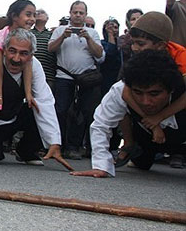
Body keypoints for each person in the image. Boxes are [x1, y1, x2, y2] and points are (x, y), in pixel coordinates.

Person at [71, 50, 186, 178]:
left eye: (154, 94)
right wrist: (101, 165)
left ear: (171, 90)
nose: (146, 102)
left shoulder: (181, 89)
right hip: (146, 140)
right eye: (138, 93)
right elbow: (101, 125)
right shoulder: (120, 90)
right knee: (142, 163)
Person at [0, 28, 68, 168]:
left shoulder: (35, 66)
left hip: (16, 116)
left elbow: (45, 102)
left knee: (41, 107)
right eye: (12, 51)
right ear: (4, 49)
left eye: (24, 53)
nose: (16, 59)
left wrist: (54, 142)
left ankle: (26, 150)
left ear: (31, 55)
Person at [114, 12, 186, 169]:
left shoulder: (181, 58)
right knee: (142, 163)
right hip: (148, 116)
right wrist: (153, 124)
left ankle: (179, 151)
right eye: (133, 43)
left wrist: (160, 117)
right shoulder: (136, 58)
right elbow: (125, 93)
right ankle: (130, 144)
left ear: (160, 46)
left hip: (175, 113)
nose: (135, 48)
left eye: (140, 44)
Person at [48, 0, 104, 160]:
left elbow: (100, 55)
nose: (78, 15)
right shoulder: (60, 30)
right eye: (75, 12)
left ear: (85, 15)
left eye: (81, 13)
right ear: (70, 13)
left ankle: (76, 146)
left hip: (86, 79)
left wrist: (88, 39)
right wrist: (63, 37)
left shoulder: (92, 33)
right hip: (64, 77)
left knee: (85, 113)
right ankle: (57, 145)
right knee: (60, 111)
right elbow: (50, 49)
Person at [31, 8, 57, 90]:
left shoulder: (53, 34)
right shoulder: (28, 32)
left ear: (47, 18)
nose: (39, 13)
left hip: (48, 74)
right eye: (37, 13)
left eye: (42, 12)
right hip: (29, 72)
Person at [100, 17, 122, 96]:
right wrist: (110, 35)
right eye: (110, 27)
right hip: (106, 79)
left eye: (116, 27)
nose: (113, 30)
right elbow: (110, 55)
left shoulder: (123, 43)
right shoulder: (101, 43)